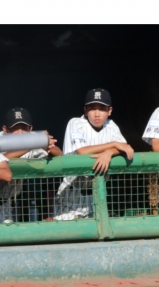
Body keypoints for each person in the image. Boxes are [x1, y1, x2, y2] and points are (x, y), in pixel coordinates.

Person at [53, 88, 134, 220]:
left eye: (102, 108)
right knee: (69, 233)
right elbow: (82, 151)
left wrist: (109, 152)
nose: (97, 114)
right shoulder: (76, 123)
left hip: (96, 197)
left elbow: (125, 148)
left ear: (109, 111)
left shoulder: (111, 126)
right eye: (92, 108)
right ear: (85, 110)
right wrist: (113, 144)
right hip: (71, 196)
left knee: (99, 231)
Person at [0, 107, 62, 221]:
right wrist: (34, 143)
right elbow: (3, 158)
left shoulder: (32, 140)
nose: (20, 133)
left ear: (30, 128)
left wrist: (46, 144)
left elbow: (59, 154)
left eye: (24, 128)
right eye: (15, 129)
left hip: (5, 204)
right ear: (5, 129)